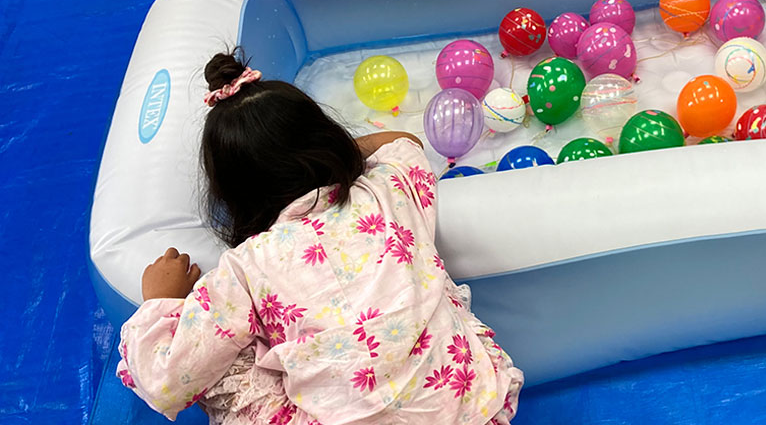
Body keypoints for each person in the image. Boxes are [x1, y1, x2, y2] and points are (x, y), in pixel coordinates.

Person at [115, 51, 522, 423]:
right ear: (329, 138)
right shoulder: (386, 187)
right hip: (476, 411)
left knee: (229, 360)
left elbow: (166, 379)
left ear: (231, 194)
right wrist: (335, 155)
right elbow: (404, 142)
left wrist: (159, 302)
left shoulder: (246, 267)